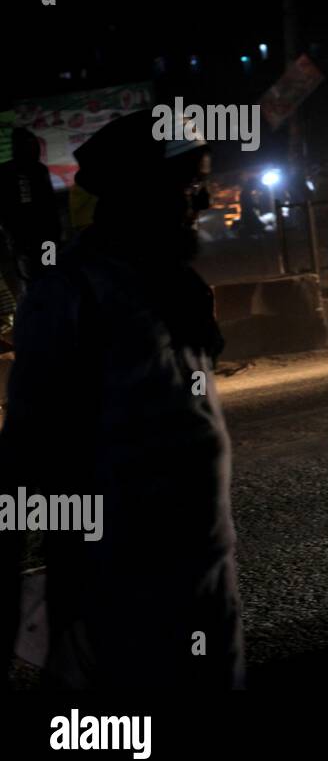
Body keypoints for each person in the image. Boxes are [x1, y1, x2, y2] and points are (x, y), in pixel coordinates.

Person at [0, 109, 244, 688]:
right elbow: (24, 459)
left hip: (208, 586)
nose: (204, 199)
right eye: (189, 184)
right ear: (140, 193)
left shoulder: (175, 288)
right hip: (118, 600)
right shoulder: (71, 296)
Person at [0, 127, 62, 309]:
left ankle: (52, 306)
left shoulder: (39, 169)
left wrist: (56, 233)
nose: (35, 149)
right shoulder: (6, 171)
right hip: (24, 240)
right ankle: (40, 309)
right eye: (30, 145)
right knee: (31, 277)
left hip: (46, 237)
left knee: (49, 272)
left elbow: (50, 204)